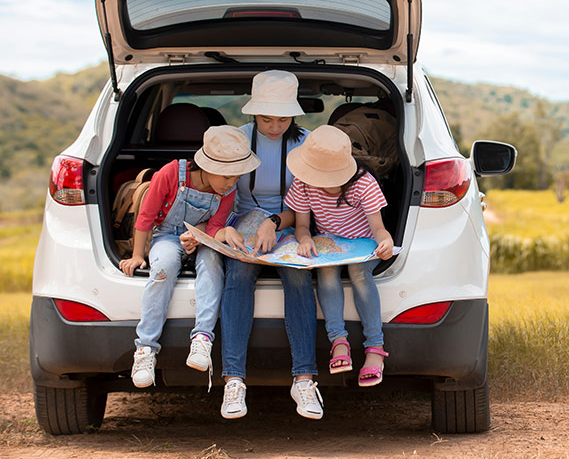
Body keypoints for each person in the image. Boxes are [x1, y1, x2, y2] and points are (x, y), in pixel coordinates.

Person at [193, 70, 323, 420]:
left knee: (297, 277)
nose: (275, 126)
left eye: (283, 119)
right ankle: (233, 380)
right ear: (252, 113)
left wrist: (275, 223)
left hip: (293, 220)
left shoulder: (307, 144)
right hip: (244, 221)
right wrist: (246, 226)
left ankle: (304, 380)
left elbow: (308, 200)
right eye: (266, 118)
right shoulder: (237, 140)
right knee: (238, 274)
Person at [120, 125, 260, 390]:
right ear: (206, 166)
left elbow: (216, 226)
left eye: (236, 177)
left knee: (211, 264)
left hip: (204, 237)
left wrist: (202, 237)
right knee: (162, 268)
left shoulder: (227, 189)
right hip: (168, 236)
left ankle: (203, 338)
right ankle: (146, 349)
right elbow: (147, 217)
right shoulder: (170, 174)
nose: (231, 184)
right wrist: (138, 255)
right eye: (227, 177)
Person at [285, 125, 394, 387]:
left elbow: (378, 229)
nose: (320, 183)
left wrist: (387, 242)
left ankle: (375, 348)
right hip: (329, 246)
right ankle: (338, 341)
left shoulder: (364, 183)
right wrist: (306, 239)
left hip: (364, 245)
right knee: (326, 271)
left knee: (357, 272)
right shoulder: (303, 183)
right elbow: (302, 225)